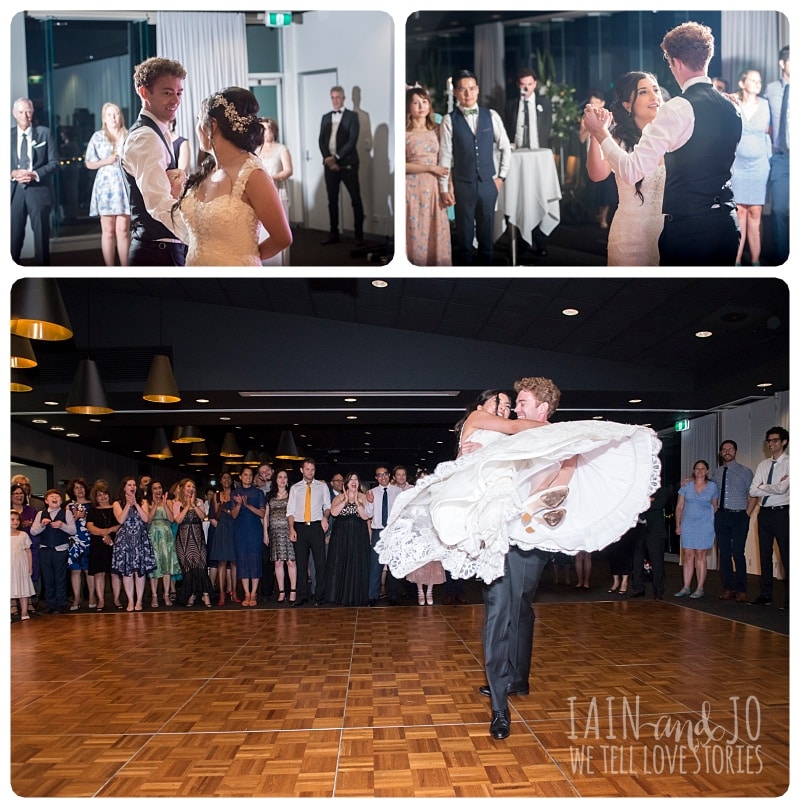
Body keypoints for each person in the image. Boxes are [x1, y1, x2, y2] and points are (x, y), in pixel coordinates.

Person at [377, 378, 661, 739]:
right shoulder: (507, 427)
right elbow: (500, 449)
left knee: (522, 605)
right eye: (512, 402)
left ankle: (517, 679)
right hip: (496, 530)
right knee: (498, 610)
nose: (515, 407)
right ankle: (499, 706)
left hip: (529, 532)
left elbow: (562, 473)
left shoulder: (549, 439)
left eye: (521, 402)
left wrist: (534, 501)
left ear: (541, 407)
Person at [583, 21, 742, 265]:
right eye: (644, 92)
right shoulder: (731, 105)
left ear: (675, 62)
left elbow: (632, 170)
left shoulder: (678, 109)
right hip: (727, 225)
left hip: (689, 231)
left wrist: (600, 133)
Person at [172, 87, 292, 265]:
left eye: (199, 121)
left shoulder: (253, 174)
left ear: (212, 125)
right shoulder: (207, 170)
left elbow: (282, 238)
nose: (197, 128)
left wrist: (244, 257)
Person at [586, 72, 665, 265]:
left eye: (656, 90)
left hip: (669, 234)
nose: (654, 96)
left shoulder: (671, 135)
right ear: (627, 105)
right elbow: (597, 175)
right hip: (630, 235)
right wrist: (596, 134)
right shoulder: (618, 140)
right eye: (644, 92)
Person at [120, 57, 190, 265]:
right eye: (167, 93)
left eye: (178, 93)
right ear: (144, 93)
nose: (176, 100)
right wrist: (198, 236)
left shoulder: (158, 131)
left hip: (163, 248)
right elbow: (159, 204)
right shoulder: (146, 137)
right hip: (156, 253)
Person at [439, 70, 512, 265]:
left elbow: (506, 147)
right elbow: (445, 157)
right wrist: (444, 188)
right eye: (462, 90)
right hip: (463, 185)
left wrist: (501, 178)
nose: (468, 94)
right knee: (463, 238)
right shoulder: (449, 120)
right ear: (455, 92)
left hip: (488, 184)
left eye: (471, 89)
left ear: (477, 90)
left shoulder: (491, 116)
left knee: (486, 238)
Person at [503, 67, 553, 257]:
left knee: (540, 194)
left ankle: (541, 241)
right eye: (522, 85)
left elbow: (547, 127)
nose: (526, 88)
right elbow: (507, 129)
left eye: (529, 84)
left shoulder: (544, 103)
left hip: (538, 157)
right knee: (518, 196)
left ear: (535, 84)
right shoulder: (511, 105)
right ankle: (521, 241)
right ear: (518, 85)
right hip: (516, 158)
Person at [405, 86, 451, 265]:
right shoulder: (405, 133)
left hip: (434, 189)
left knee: (435, 231)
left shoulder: (437, 130)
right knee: (416, 231)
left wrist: (449, 187)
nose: (421, 106)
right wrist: (429, 168)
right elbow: (401, 165)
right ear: (409, 107)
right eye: (415, 103)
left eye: (424, 102)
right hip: (412, 189)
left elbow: (446, 161)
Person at [11, 97, 59, 265]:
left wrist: (35, 174)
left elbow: (54, 163)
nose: (26, 115)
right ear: (14, 114)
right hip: (15, 193)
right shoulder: (7, 136)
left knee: (41, 239)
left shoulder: (44, 133)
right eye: (21, 112)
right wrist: (13, 172)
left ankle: (44, 279)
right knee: (13, 239)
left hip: (38, 191)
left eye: (29, 111)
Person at [731, 70, 771, 266]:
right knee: (739, 214)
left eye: (759, 81)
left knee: (755, 213)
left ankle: (756, 262)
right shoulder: (733, 104)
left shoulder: (765, 105)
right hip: (737, 166)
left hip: (759, 166)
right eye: (753, 80)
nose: (757, 83)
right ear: (742, 82)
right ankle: (736, 262)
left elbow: (770, 134)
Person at [84, 102, 131, 266]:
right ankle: (110, 269)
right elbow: (89, 163)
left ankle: (126, 270)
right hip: (105, 188)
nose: (113, 117)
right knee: (108, 231)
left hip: (124, 187)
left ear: (121, 116)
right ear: (104, 118)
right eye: (109, 114)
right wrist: (106, 161)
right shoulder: (97, 137)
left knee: (123, 231)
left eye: (116, 113)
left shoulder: (129, 135)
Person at [319, 86, 365, 246]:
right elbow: (321, 141)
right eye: (332, 97)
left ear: (345, 98)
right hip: (329, 166)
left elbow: (352, 141)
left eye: (338, 97)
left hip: (347, 164)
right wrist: (327, 159)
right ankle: (333, 233)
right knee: (332, 200)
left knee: (356, 200)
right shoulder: (325, 117)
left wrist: (336, 159)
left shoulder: (353, 116)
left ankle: (359, 236)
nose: (335, 100)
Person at [749, 427, 789, 608]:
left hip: (782, 512)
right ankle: (766, 595)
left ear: (784, 442)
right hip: (764, 512)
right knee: (764, 555)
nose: (771, 444)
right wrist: (770, 486)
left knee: (787, 556)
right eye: (769, 441)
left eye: (775, 440)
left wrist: (763, 486)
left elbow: (783, 489)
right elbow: (752, 490)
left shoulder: (790, 463)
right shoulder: (763, 465)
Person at [711, 440, 756, 603]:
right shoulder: (717, 472)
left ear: (735, 451)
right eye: (724, 449)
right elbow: (712, 492)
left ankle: (741, 589)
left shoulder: (745, 472)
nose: (727, 452)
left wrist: (747, 514)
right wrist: (716, 510)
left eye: (730, 449)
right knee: (724, 554)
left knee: (738, 553)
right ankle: (728, 588)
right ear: (721, 453)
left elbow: (753, 494)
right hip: (722, 516)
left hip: (739, 516)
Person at [287, 458, 331, 606]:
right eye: (307, 469)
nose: (310, 472)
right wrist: (291, 528)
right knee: (301, 563)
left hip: (316, 526)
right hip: (299, 526)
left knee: (320, 563)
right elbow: (290, 511)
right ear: (301, 470)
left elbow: (328, 506)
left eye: (312, 469)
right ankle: (302, 596)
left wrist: (325, 518)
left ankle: (320, 596)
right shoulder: (295, 488)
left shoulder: (322, 486)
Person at [674, 460, 719, 599]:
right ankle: (686, 586)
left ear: (707, 471)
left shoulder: (712, 486)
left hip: (704, 525)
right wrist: (678, 524)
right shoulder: (686, 486)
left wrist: (710, 522)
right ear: (694, 471)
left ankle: (700, 587)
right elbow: (679, 506)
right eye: (697, 468)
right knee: (688, 555)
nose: (700, 471)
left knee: (700, 554)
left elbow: (715, 506)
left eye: (703, 468)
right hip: (688, 524)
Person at [325, 472, 371, 606]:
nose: (354, 481)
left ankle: (356, 596)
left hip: (358, 537)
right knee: (340, 563)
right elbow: (333, 513)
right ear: (346, 483)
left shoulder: (364, 497)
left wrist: (357, 502)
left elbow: (365, 517)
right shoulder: (338, 497)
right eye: (351, 479)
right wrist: (345, 500)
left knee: (357, 564)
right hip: (341, 538)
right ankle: (338, 596)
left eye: (356, 479)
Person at [111, 477, 156, 612]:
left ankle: (139, 601)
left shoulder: (143, 502)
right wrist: (128, 505)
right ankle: (130, 601)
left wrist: (136, 504)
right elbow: (120, 519)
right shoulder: (117, 503)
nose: (132, 487)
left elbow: (146, 519)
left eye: (134, 484)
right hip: (124, 541)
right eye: (129, 485)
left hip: (140, 539)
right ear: (124, 487)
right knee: (127, 572)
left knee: (139, 572)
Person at [30, 489, 76, 614]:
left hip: (60, 549)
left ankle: (61, 603)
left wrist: (62, 526)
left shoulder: (66, 513)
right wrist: (42, 525)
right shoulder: (41, 514)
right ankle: (51, 604)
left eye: (57, 496)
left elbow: (73, 530)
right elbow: (33, 531)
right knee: (48, 578)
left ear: (61, 500)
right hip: (45, 549)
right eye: (52, 496)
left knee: (60, 577)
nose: (55, 498)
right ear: (46, 500)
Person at [765, 46, 790, 265]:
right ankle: (782, 257)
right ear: (782, 63)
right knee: (779, 209)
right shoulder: (771, 89)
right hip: (781, 158)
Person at [257, 117, 293, 265]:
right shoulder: (256, 149)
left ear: (274, 131)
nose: (265, 133)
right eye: (262, 129)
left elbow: (288, 171)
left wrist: (272, 178)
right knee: (262, 229)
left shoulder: (281, 149)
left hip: (277, 191)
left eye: (267, 129)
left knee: (279, 229)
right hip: (260, 194)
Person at [364, 465, 402, 606]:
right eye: (379, 475)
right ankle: (372, 596)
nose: (383, 477)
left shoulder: (398, 491)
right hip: (378, 532)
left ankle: (393, 596)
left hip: (393, 531)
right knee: (375, 565)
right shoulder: (372, 492)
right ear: (376, 478)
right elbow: (368, 514)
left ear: (389, 475)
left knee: (393, 564)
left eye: (385, 474)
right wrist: (370, 501)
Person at [172, 478, 213, 608]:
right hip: (183, 540)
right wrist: (187, 506)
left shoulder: (199, 502)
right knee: (188, 567)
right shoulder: (177, 504)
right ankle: (190, 594)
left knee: (200, 565)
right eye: (189, 486)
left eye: (193, 487)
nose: (191, 489)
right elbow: (178, 520)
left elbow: (202, 516)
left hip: (197, 538)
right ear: (183, 488)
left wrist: (193, 505)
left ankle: (206, 594)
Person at [579, 90, 617, 230]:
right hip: (591, 155)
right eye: (591, 102)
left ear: (602, 103)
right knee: (593, 188)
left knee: (606, 189)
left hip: (605, 155)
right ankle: (596, 214)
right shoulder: (585, 120)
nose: (593, 105)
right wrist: (590, 128)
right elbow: (581, 139)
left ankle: (604, 217)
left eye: (596, 102)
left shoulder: (609, 118)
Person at [230, 466, 266, 607]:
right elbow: (233, 515)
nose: (248, 477)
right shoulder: (235, 493)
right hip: (240, 531)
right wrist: (239, 505)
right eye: (245, 475)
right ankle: (246, 593)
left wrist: (248, 505)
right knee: (243, 560)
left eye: (250, 475)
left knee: (255, 559)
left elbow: (262, 514)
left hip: (255, 530)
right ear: (240, 477)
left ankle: (254, 593)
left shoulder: (258, 493)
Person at [629, 485, 670, 600]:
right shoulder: (639, 488)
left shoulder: (661, 489)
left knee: (656, 561)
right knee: (637, 560)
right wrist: (648, 501)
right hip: (639, 529)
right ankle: (639, 588)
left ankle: (658, 590)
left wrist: (644, 502)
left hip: (655, 530)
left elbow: (659, 504)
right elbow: (633, 504)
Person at [85, 480, 119, 612]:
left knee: (115, 573)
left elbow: (120, 524)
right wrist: (104, 533)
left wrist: (109, 532)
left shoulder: (115, 508)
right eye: (99, 495)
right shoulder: (93, 511)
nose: (103, 497)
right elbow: (90, 527)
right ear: (95, 497)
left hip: (115, 543)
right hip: (98, 544)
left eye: (105, 494)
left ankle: (116, 599)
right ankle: (101, 600)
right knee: (99, 573)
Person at [146, 481, 179, 608]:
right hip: (153, 534)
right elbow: (148, 519)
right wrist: (154, 505)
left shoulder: (168, 501)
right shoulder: (147, 503)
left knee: (166, 565)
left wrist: (164, 504)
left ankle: (166, 594)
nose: (158, 490)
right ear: (151, 490)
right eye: (155, 488)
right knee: (155, 567)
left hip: (166, 535)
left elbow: (171, 519)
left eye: (159, 488)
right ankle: (154, 596)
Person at [65, 478, 95, 610]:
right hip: (74, 541)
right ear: (72, 491)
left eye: (81, 487)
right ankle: (76, 597)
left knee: (89, 570)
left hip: (89, 540)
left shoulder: (92, 505)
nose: (79, 490)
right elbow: (67, 524)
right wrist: (76, 516)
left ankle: (92, 596)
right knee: (75, 571)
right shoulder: (69, 506)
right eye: (76, 487)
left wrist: (85, 517)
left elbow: (96, 522)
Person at [266, 470, 295, 604]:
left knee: (291, 561)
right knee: (278, 562)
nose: (282, 479)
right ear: (275, 480)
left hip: (289, 532)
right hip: (274, 533)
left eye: (285, 477)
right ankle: (281, 592)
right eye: (280, 477)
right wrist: (265, 533)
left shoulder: (292, 495)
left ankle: (293, 591)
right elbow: (266, 516)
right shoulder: (269, 496)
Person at [210, 472, 237, 604]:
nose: (226, 480)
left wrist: (225, 510)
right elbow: (213, 516)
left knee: (234, 563)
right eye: (224, 478)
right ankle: (221, 593)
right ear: (220, 481)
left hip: (234, 529)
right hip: (221, 529)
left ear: (232, 481)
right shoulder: (216, 496)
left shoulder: (236, 495)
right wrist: (220, 510)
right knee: (221, 563)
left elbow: (236, 514)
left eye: (229, 478)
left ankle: (234, 592)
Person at [11, 511, 36, 621]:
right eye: (12, 519)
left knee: (23, 588)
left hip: (21, 566)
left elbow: (28, 551)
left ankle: (24, 611)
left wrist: (30, 566)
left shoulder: (23, 535)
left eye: (17, 519)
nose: (15, 521)